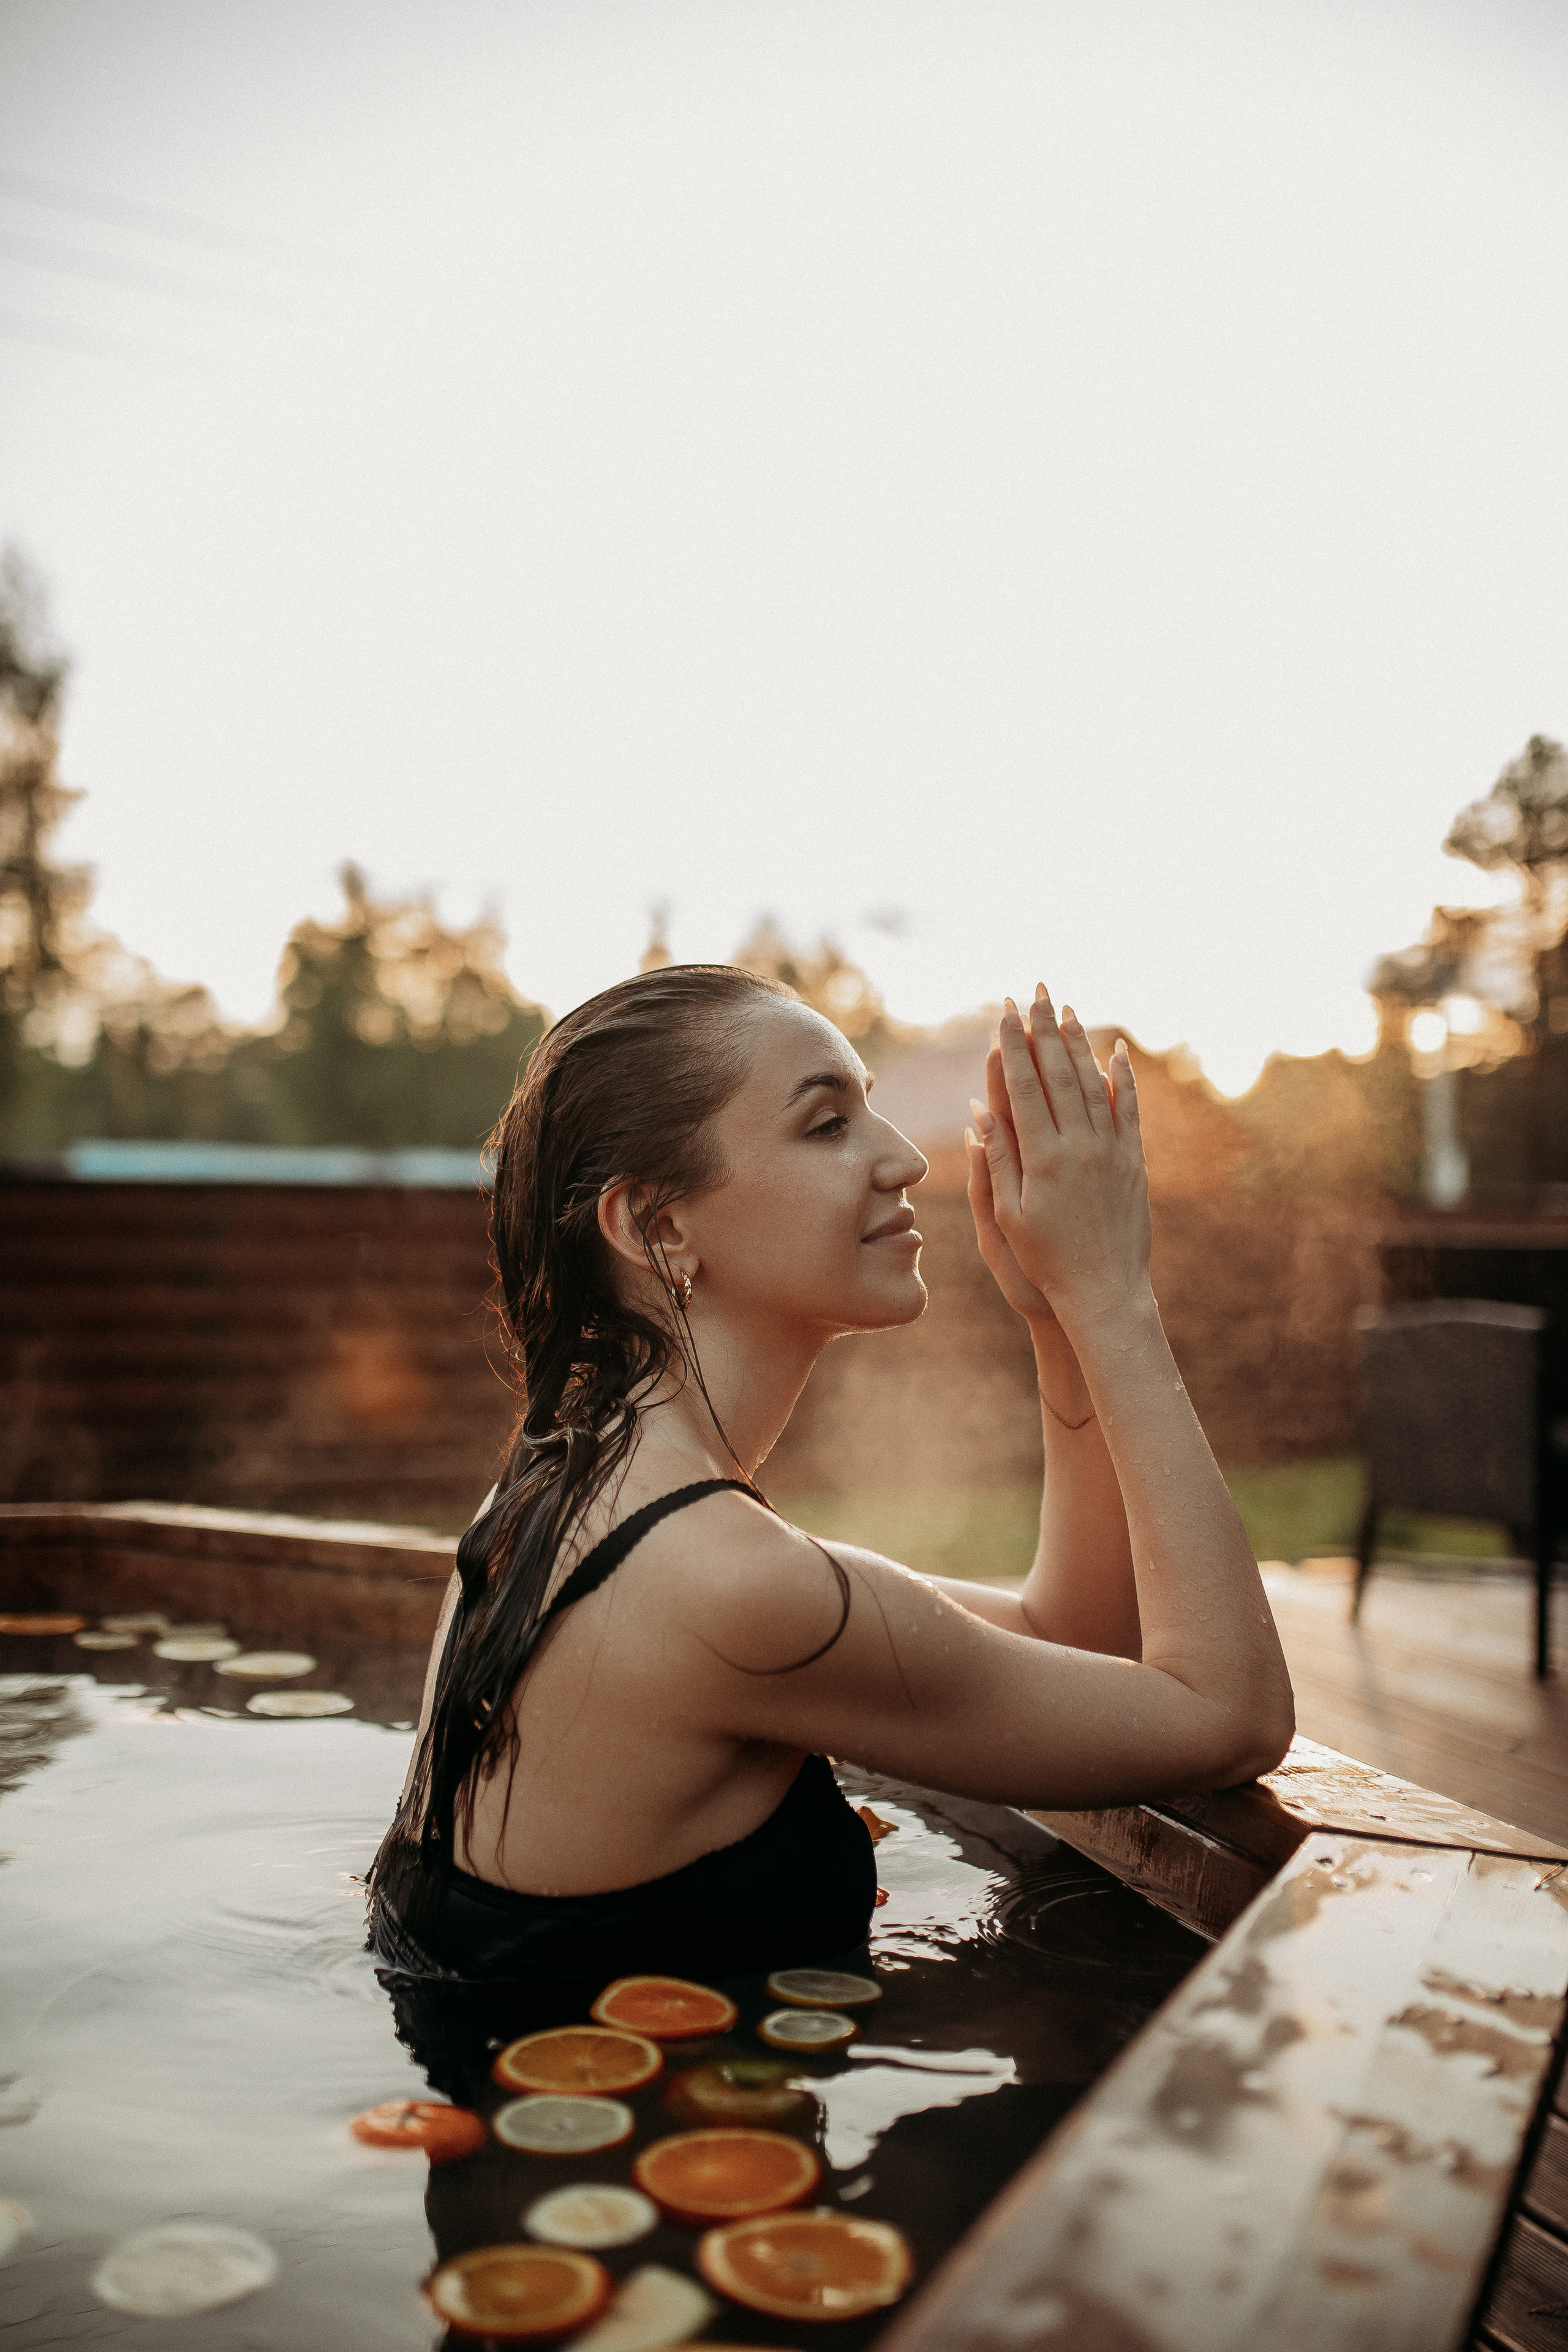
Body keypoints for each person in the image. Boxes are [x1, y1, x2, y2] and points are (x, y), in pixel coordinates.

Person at [368, 965, 1293, 1991]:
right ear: (658, 1227)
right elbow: (1231, 1719)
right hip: (649, 2094)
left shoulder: (574, 1488)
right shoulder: (721, 1581)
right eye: (827, 1125)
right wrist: (1115, 1292)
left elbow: (1069, 1645)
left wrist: (1060, 1321)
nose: (904, 1159)